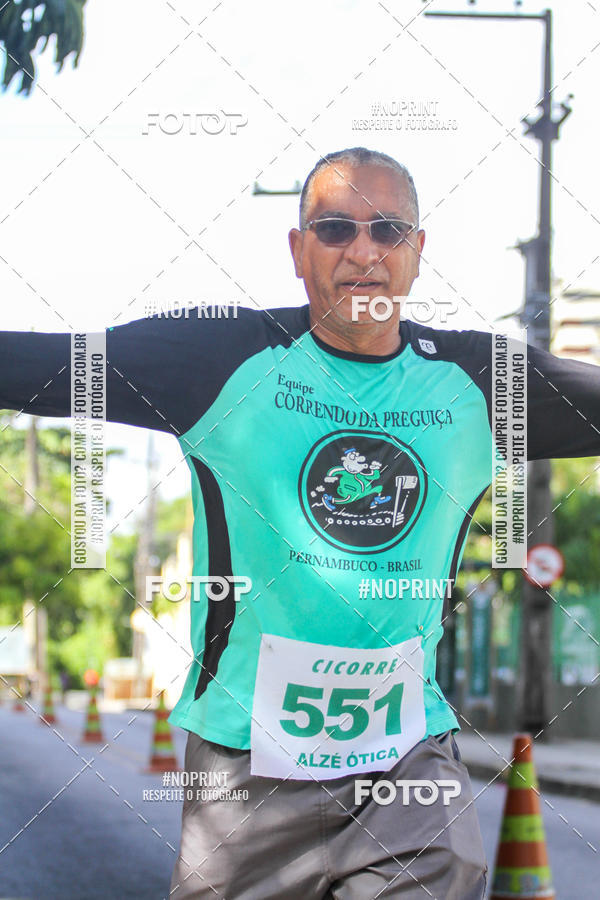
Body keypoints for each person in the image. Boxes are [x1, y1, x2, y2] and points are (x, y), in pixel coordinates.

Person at [1, 147, 599, 898]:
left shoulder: (478, 382)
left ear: (416, 253)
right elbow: (44, 364)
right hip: (244, 764)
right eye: (335, 227)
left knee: (446, 870)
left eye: (387, 230)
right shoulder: (218, 357)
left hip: (406, 755)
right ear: (297, 249)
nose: (363, 251)